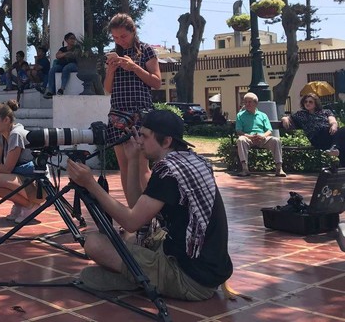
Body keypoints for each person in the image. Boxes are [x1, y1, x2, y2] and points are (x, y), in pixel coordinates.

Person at [67, 109, 233, 301]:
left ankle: (139, 279)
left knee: (94, 244)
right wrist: (133, 160)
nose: (139, 141)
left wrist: (90, 184)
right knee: (129, 237)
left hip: (190, 280)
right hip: (203, 269)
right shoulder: (190, 160)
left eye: (145, 136)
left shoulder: (168, 172)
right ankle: (140, 275)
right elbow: (136, 208)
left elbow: (131, 222)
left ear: (166, 141)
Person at [102, 13, 161, 193]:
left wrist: (134, 67)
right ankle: (132, 209)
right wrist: (111, 70)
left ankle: (149, 206)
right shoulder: (113, 55)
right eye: (115, 38)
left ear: (133, 31)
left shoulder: (146, 50)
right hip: (117, 115)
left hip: (139, 114)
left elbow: (157, 82)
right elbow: (108, 89)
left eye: (123, 36)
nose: (120, 41)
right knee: (125, 167)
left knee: (142, 166)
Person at [281, 93, 344, 161]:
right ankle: (335, 149)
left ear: (316, 103)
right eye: (305, 102)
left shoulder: (326, 111)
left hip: (331, 135)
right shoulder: (301, 114)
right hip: (317, 138)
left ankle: (335, 150)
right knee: (339, 139)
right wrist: (284, 118)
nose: (307, 103)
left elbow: (333, 121)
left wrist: (334, 125)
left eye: (310, 102)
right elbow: (288, 117)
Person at [235, 92, 286, 177]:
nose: (247, 104)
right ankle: (245, 169)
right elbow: (239, 131)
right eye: (245, 102)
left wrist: (263, 136)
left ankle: (279, 168)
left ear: (255, 103)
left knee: (276, 140)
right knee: (241, 140)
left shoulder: (263, 115)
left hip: (262, 138)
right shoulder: (240, 115)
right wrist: (250, 136)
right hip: (248, 138)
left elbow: (269, 130)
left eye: (249, 102)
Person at [44, 32, 80, 98]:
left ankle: (62, 89)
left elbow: (75, 55)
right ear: (66, 40)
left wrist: (65, 54)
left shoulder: (77, 48)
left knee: (66, 68)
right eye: (71, 38)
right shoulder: (62, 49)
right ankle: (50, 91)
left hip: (74, 65)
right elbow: (57, 56)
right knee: (52, 70)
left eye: (74, 38)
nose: (73, 40)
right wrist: (66, 53)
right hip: (62, 65)